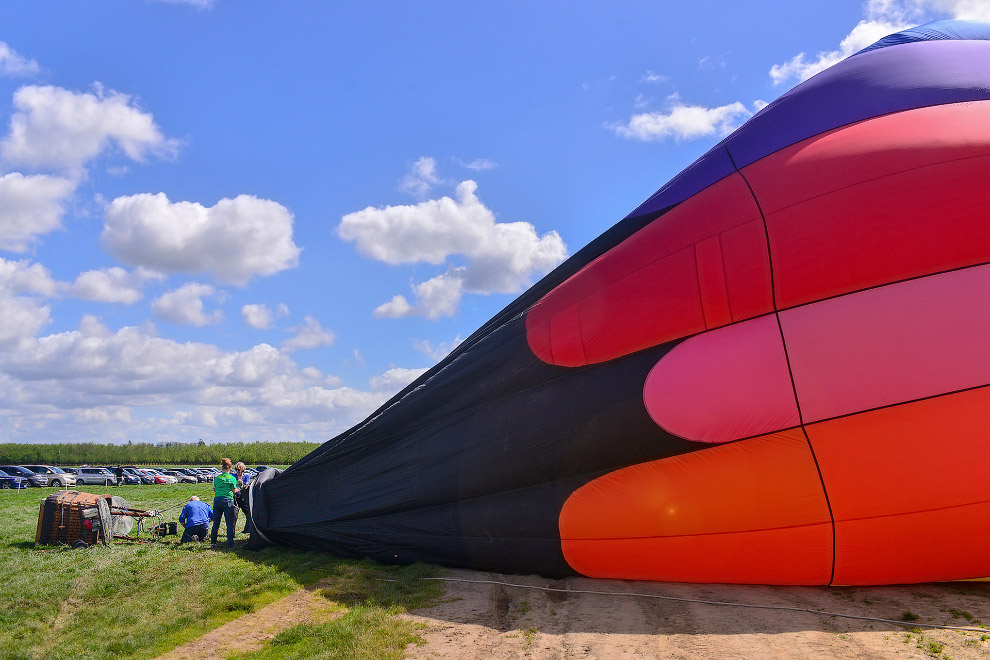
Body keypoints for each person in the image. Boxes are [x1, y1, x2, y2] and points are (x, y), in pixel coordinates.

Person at [210, 457, 239, 550]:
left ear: (222, 468)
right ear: (230, 468)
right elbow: (234, 491)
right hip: (227, 501)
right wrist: (240, 488)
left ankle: (213, 543)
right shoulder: (232, 478)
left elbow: (215, 489)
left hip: (217, 501)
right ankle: (230, 545)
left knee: (216, 524)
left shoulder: (217, 478)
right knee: (229, 524)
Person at [234, 462, 252, 534]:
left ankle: (247, 529)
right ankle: (232, 533)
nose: (237, 472)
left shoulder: (246, 476)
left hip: (244, 497)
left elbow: (246, 485)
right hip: (235, 497)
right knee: (234, 515)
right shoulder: (233, 476)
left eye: (239, 470)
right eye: (236, 470)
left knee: (248, 513)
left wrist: (241, 484)